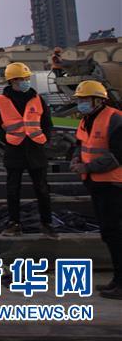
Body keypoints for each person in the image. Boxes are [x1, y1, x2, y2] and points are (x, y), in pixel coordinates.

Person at [0, 62, 57, 238]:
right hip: (15, 149)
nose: (25, 82)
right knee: (13, 190)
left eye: (27, 79)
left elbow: (47, 123)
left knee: (42, 189)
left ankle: (47, 224)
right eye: (21, 79)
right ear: (12, 81)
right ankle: (14, 224)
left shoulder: (37, 99)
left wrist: (45, 139)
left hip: (36, 149)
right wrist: (6, 139)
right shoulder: (0, 101)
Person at [70, 80, 122, 299]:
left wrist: (87, 166)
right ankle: (117, 280)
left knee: (117, 234)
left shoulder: (115, 119)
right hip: (97, 184)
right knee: (109, 233)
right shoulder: (86, 120)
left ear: (98, 100)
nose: (81, 103)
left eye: (84, 99)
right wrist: (76, 160)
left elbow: (118, 155)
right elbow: (81, 145)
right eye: (80, 99)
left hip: (113, 185)